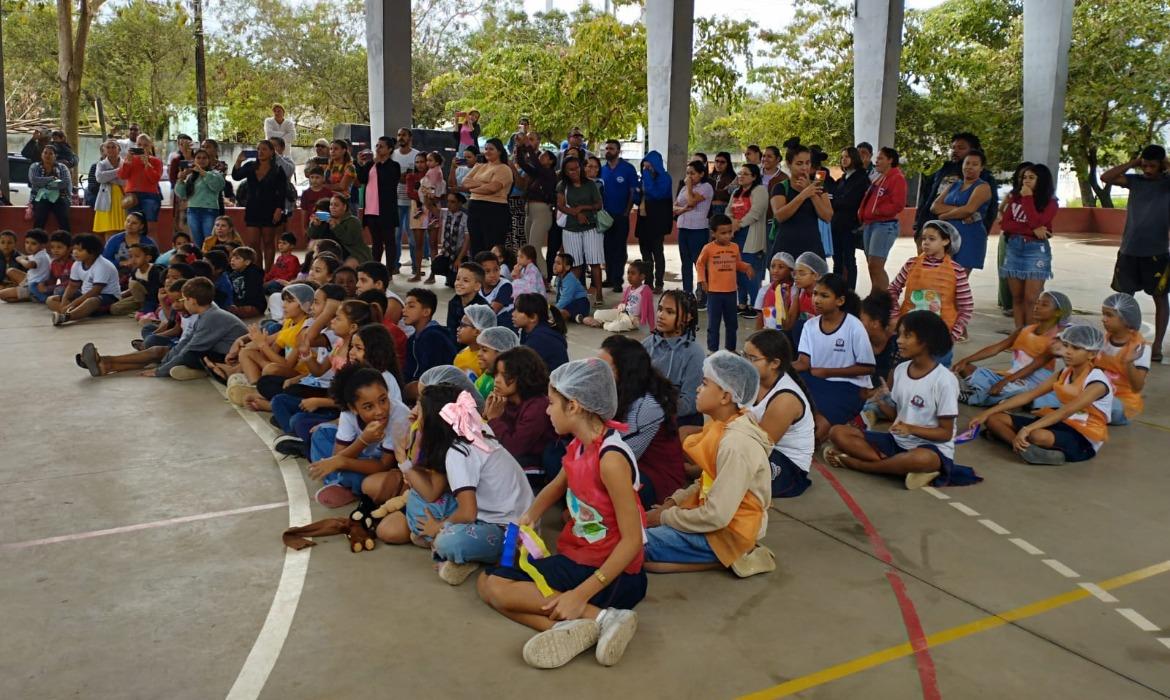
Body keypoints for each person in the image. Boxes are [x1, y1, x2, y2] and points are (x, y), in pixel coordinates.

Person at [477, 358, 645, 670]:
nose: (546, 409)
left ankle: (603, 617)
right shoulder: (580, 446)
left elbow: (633, 541)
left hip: (615, 574)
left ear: (575, 407)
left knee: (496, 586)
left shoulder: (611, 459)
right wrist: (528, 517)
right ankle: (574, 630)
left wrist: (580, 595)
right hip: (581, 558)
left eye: (552, 402)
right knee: (488, 586)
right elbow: (557, 485)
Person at [643, 350, 775, 576]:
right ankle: (720, 559)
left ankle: (730, 555)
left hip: (728, 532)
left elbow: (716, 515)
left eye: (704, 384)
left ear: (725, 396)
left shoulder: (736, 444)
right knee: (641, 549)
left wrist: (664, 517)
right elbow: (707, 481)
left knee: (636, 544)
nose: (697, 389)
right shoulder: (722, 425)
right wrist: (673, 503)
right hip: (715, 521)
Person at [824, 311, 966, 490]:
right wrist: (878, 401)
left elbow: (945, 433)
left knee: (922, 459)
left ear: (926, 341)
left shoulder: (944, 380)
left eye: (907, 336)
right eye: (899, 335)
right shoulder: (900, 370)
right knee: (837, 432)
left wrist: (911, 429)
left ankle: (860, 465)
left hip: (931, 449)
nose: (899, 341)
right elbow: (898, 415)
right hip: (897, 442)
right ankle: (896, 467)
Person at [970, 325, 1114, 465]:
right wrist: (987, 412)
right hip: (1059, 423)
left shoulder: (1097, 383)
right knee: (994, 419)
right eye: (1066, 345)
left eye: (1075, 348)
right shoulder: (1064, 373)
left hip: (1084, 436)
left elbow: (1066, 411)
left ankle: (1020, 442)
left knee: (1036, 435)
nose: (1067, 352)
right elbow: (1030, 395)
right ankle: (1022, 447)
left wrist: (1028, 429)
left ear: (1092, 354)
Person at [1100, 144, 1170, 361]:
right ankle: (1118, 341)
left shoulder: (1167, 184)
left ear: (1162, 165)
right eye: (1145, 165)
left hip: (1156, 252)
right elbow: (1106, 177)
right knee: (1123, 299)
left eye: (1153, 166)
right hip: (1129, 250)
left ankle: (1157, 345)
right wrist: (1133, 162)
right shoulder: (1135, 181)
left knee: (1160, 298)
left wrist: (1167, 165)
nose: (1148, 170)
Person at [600, 336, 686, 508]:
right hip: (623, 460)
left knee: (603, 478)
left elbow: (621, 455)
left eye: (605, 369)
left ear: (625, 372)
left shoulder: (648, 405)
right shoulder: (617, 390)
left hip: (655, 477)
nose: (598, 373)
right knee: (558, 454)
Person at [306, 364, 409, 508]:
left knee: (363, 479)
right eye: (368, 407)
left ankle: (342, 484)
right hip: (357, 458)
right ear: (353, 408)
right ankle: (343, 483)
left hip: (376, 466)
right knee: (320, 434)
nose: (380, 411)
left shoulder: (400, 415)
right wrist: (362, 441)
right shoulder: (348, 413)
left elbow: (384, 465)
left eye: (383, 400)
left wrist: (341, 462)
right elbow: (338, 454)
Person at [954, 290, 1070, 407]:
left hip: (1032, 384)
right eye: (1037, 303)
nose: (1037, 307)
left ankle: (975, 398)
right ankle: (1001, 400)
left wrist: (1003, 383)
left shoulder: (1055, 341)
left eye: (1044, 305)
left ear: (1057, 313)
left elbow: (1032, 368)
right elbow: (997, 348)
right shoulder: (1024, 330)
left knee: (1019, 391)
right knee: (965, 368)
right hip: (1011, 377)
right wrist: (966, 360)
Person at [792, 273, 874, 440]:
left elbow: (868, 367)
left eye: (824, 295)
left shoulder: (854, 326)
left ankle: (854, 418)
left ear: (840, 301)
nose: (817, 300)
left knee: (813, 435)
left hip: (847, 386)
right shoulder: (810, 325)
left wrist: (828, 372)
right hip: (815, 380)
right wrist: (777, 366)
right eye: (815, 294)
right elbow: (803, 363)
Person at [745, 330, 816, 498]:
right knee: (688, 434)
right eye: (744, 356)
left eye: (753, 359)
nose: (746, 363)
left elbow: (759, 446)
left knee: (730, 471)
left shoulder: (785, 398)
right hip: (754, 447)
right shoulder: (753, 380)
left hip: (786, 464)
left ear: (774, 363)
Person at [887, 220, 973, 345]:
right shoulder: (911, 263)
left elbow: (966, 306)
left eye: (931, 239)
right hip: (909, 330)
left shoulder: (957, 270)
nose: (925, 243)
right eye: (923, 239)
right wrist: (895, 316)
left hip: (941, 334)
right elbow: (892, 289)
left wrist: (953, 335)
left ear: (946, 241)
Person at [151, 277, 249, 380]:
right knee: (185, 352)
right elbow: (186, 341)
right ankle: (199, 370)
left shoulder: (211, 317)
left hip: (231, 357)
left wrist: (159, 372)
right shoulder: (205, 314)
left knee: (189, 356)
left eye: (184, 300)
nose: (184, 304)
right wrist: (164, 363)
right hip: (217, 351)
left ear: (192, 301)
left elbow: (192, 348)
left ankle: (209, 370)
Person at [999, 163, 1059, 328]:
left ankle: (1031, 334)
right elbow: (1006, 224)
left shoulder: (1051, 203)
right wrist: (1032, 230)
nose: (1026, 181)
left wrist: (1028, 198)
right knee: (1017, 297)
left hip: (1035, 251)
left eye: (1031, 178)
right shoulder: (1015, 198)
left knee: (1031, 298)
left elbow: (1038, 222)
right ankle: (1019, 334)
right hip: (1014, 248)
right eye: (1024, 177)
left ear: (1042, 181)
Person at [483, 346, 556, 474]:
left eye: (505, 375)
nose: (497, 380)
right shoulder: (504, 401)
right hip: (511, 461)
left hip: (533, 467)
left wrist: (494, 419)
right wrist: (486, 413)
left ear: (524, 376)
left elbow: (514, 448)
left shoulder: (537, 406)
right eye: (496, 374)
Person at [914, 132, 997, 244]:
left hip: (967, 233)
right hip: (931, 229)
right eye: (953, 147)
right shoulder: (943, 171)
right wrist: (919, 225)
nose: (955, 151)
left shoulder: (984, 179)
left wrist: (983, 230)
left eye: (961, 148)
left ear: (973, 150)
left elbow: (989, 210)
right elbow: (928, 201)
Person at [643, 290, 705, 429]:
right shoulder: (646, 345)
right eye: (660, 309)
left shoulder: (694, 354)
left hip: (678, 421)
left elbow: (690, 403)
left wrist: (652, 412)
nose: (661, 315)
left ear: (687, 317)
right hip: (646, 415)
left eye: (670, 312)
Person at [931, 150, 993, 275]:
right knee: (941, 276)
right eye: (967, 163)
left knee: (957, 279)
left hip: (969, 235)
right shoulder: (954, 184)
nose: (969, 167)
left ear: (981, 168)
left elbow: (969, 209)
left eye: (975, 164)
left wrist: (944, 215)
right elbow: (935, 206)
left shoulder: (982, 187)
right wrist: (960, 210)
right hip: (947, 235)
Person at [697, 214, 752, 352]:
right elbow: (700, 264)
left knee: (732, 324)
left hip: (731, 292)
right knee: (713, 324)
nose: (727, 236)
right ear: (713, 233)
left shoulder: (734, 247)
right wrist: (702, 280)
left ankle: (731, 349)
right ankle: (712, 351)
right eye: (723, 233)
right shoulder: (708, 248)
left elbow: (737, 263)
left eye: (730, 232)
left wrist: (746, 267)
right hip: (714, 293)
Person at [856, 146, 908, 293]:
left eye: (880, 158)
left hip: (884, 225)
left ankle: (882, 298)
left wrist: (878, 211)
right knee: (872, 265)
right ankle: (879, 295)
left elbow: (898, 204)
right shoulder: (880, 177)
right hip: (870, 224)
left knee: (876, 265)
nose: (876, 161)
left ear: (890, 160)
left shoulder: (897, 178)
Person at [770, 145, 832, 267]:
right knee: (783, 286)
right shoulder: (780, 187)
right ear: (789, 164)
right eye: (799, 164)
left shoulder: (819, 188)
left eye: (807, 163)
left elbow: (827, 216)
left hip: (812, 247)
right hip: (786, 246)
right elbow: (780, 216)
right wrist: (803, 195)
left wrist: (812, 193)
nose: (804, 168)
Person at [232, 141, 287, 270]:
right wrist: (238, 162)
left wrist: (279, 209)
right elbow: (236, 176)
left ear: (272, 152)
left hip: (270, 209)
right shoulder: (250, 166)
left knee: (268, 242)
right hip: (253, 209)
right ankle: (257, 271)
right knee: (253, 243)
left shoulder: (277, 169)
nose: (260, 152)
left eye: (264, 149)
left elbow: (282, 192)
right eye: (258, 149)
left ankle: (268, 272)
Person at [557, 156, 605, 305]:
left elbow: (598, 204)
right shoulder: (562, 186)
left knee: (595, 263)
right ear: (565, 171)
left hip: (591, 228)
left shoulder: (590, 184)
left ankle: (599, 295)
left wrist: (583, 208)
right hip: (571, 229)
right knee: (575, 265)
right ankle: (574, 295)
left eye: (577, 168)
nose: (575, 171)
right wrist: (576, 214)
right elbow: (560, 206)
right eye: (571, 169)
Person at [1096, 292, 1150, 425]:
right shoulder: (1104, 339)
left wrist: (1129, 362)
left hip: (1122, 403)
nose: (1103, 319)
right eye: (1103, 314)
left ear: (1126, 319)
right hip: (1098, 394)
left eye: (1109, 315)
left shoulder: (1140, 347)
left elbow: (1137, 387)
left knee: (1103, 405)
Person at [728, 163, 770, 318]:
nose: (741, 176)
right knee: (738, 271)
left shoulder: (760, 190)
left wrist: (738, 224)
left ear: (754, 177)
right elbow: (728, 210)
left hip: (750, 235)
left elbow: (756, 213)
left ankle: (756, 305)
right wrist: (731, 223)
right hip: (735, 234)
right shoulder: (736, 192)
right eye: (740, 173)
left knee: (751, 273)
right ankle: (742, 303)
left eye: (745, 174)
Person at [402, 288, 458, 401]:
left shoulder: (433, 337)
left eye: (411, 306)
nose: (404, 310)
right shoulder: (413, 338)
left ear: (426, 312)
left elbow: (432, 377)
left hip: (438, 394)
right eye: (404, 306)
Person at [515, 136, 558, 279]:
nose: (541, 158)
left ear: (551, 161)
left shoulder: (549, 174)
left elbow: (535, 164)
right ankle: (532, 276)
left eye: (545, 157)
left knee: (534, 247)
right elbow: (522, 163)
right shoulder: (537, 174)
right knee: (529, 248)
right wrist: (520, 148)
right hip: (530, 211)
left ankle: (544, 277)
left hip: (542, 212)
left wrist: (529, 147)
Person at [600, 140, 640, 292]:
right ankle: (609, 278)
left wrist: (626, 211)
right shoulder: (602, 170)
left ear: (618, 150)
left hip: (621, 215)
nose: (608, 151)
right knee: (607, 248)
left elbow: (632, 191)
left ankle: (618, 280)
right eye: (606, 148)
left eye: (611, 148)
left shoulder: (628, 169)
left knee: (619, 249)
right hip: (605, 216)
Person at [464, 139, 514, 255]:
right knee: (476, 246)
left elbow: (492, 188)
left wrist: (473, 187)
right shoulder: (479, 166)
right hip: (475, 208)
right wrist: (485, 184)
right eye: (486, 149)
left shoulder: (504, 168)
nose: (487, 151)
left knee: (491, 246)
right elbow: (465, 182)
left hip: (494, 209)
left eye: (491, 149)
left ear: (500, 151)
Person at [831, 147, 869, 288]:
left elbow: (851, 200)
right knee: (837, 260)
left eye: (847, 156)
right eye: (842, 157)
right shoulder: (843, 178)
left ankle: (849, 291)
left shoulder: (861, 178)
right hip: (836, 224)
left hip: (849, 225)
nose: (844, 159)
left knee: (848, 260)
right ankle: (835, 289)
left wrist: (836, 201)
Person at [582, 260, 654, 333]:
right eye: (628, 273)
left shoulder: (645, 290)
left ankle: (602, 324)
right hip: (622, 313)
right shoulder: (628, 289)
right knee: (597, 314)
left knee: (616, 326)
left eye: (633, 273)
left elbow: (650, 310)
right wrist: (619, 306)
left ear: (642, 276)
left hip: (632, 320)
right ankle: (605, 321)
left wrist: (652, 328)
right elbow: (623, 303)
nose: (629, 276)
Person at [175, 149, 226, 248]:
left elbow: (217, 186)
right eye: (198, 158)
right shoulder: (191, 177)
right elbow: (182, 194)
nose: (201, 160)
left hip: (209, 211)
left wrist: (202, 172)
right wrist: (181, 179)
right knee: (197, 242)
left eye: (204, 158)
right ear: (194, 160)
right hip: (192, 211)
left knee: (209, 241)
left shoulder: (216, 174)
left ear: (209, 160)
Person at [637, 151, 672, 293]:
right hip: (644, 219)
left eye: (649, 165)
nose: (646, 168)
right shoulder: (644, 178)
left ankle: (659, 282)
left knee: (657, 252)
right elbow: (638, 194)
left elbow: (657, 194)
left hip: (658, 220)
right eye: (645, 165)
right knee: (645, 252)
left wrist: (646, 177)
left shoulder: (665, 177)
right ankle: (648, 281)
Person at [116, 135, 165, 233]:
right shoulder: (130, 159)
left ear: (150, 146)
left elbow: (154, 179)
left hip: (150, 196)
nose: (142, 147)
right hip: (132, 196)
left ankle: (150, 247)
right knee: (131, 227)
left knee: (149, 228)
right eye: (139, 145)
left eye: (145, 145)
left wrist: (147, 164)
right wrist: (127, 162)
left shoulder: (156, 161)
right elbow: (122, 176)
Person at [512, 292, 568, 371]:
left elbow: (520, 368)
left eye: (518, 311)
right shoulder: (532, 331)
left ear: (533, 317)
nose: (513, 314)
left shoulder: (540, 339)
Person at [28, 146, 73, 232]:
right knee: (40, 216)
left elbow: (64, 183)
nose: (47, 155)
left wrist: (45, 185)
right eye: (45, 153)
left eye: (50, 153)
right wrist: (52, 179)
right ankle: (36, 240)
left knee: (64, 217)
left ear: (55, 156)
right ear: (41, 155)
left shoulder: (62, 167)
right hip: (39, 197)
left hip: (60, 196)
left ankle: (65, 242)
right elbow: (34, 180)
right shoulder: (35, 166)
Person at [0, 230, 52, 304]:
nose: (28, 246)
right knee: (10, 271)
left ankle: (30, 295)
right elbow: (26, 257)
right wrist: (23, 258)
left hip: (34, 287)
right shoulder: (37, 254)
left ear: (43, 245)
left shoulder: (41, 257)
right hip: (29, 280)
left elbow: (29, 265)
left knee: (1, 295)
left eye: (33, 243)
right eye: (27, 242)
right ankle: (27, 296)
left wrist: (20, 259)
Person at [92, 140, 127, 237]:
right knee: (109, 229)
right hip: (106, 198)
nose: (111, 149)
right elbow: (100, 178)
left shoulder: (125, 164)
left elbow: (125, 181)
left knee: (123, 229)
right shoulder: (101, 164)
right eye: (108, 147)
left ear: (119, 149)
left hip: (122, 197)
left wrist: (108, 176)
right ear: (104, 150)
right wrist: (119, 171)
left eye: (113, 147)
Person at [475, 326, 520, 399]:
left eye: (484, 350)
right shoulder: (485, 376)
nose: (479, 354)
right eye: (479, 349)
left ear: (501, 353)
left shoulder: (506, 385)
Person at [453, 304, 496, 378]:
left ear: (477, 331)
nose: (458, 329)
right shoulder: (464, 352)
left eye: (463, 325)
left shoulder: (484, 361)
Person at [447, 262, 490, 335]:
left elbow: (485, 337)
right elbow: (451, 329)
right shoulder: (453, 302)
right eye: (457, 279)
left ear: (477, 286)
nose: (459, 283)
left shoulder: (482, 309)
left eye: (465, 280)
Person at [755, 252, 794, 330]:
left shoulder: (794, 291)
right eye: (773, 266)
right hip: (767, 334)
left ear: (791, 270)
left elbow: (789, 324)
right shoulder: (764, 291)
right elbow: (759, 318)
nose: (775, 270)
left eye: (781, 267)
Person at [551, 252, 591, 324]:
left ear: (567, 267)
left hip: (580, 303)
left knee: (561, 313)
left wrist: (554, 309)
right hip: (571, 303)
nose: (555, 265)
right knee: (562, 311)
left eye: (558, 263)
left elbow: (566, 298)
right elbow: (559, 295)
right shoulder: (559, 278)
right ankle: (576, 317)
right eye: (554, 262)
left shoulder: (570, 279)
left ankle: (575, 316)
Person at [709, 152, 735, 218]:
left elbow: (727, 194)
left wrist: (711, 192)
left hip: (723, 209)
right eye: (717, 161)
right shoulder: (710, 176)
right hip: (709, 208)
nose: (719, 164)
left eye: (722, 162)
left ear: (728, 164)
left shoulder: (732, 178)